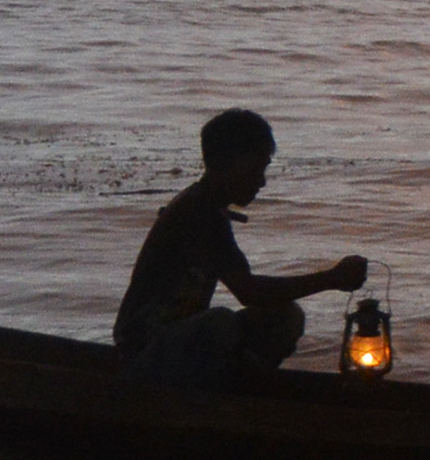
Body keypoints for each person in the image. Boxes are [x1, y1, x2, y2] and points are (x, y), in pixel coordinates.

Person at [117, 108, 369, 387]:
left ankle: (240, 382)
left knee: (286, 317)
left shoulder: (210, 210)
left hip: (174, 343)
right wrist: (331, 279)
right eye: (254, 170)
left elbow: (251, 289)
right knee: (220, 324)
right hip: (142, 351)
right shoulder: (198, 213)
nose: (261, 181)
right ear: (224, 163)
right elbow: (249, 292)